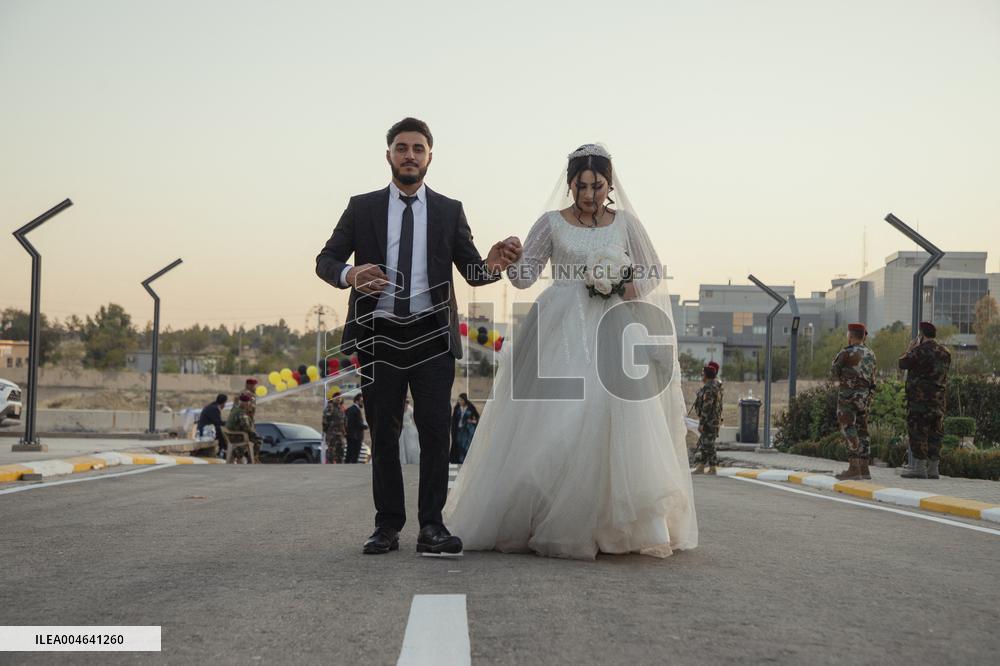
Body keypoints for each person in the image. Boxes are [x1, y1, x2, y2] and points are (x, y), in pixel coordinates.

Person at [443, 144, 697, 560]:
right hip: (560, 330)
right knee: (560, 419)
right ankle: (548, 517)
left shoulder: (625, 224)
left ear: (609, 185)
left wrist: (618, 283)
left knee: (616, 415)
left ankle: (619, 524)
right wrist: (510, 256)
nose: (590, 195)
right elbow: (525, 279)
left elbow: (651, 269)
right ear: (570, 185)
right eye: (581, 186)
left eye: (597, 187)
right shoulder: (551, 224)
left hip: (613, 329)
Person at [315, 117, 521, 556]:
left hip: (431, 337)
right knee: (384, 434)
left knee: (434, 431)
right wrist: (351, 273)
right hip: (380, 336)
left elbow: (472, 271)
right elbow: (326, 259)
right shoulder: (362, 207)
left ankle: (432, 527)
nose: (410, 155)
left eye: (418, 149)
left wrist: (494, 263)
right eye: (402, 147)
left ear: (430, 156)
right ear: (388, 154)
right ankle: (387, 526)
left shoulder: (449, 210)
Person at [899, 321, 952, 479]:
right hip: (938, 401)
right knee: (936, 432)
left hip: (919, 401)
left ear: (921, 335)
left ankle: (919, 468)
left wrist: (910, 349)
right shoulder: (945, 353)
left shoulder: (918, 351)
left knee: (918, 432)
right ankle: (933, 469)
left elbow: (902, 363)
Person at [832, 323, 877, 481]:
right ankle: (865, 468)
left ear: (850, 336)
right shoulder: (871, 354)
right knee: (863, 429)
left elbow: (834, 371)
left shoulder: (846, 353)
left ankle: (854, 468)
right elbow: (873, 378)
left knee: (848, 427)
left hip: (848, 397)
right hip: (864, 397)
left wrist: (841, 384)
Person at [692, 362, 723, 475]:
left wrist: (702, 423)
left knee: (708, 444)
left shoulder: (710, 388)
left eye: (702, 374)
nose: (701, 376)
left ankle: (713, 466)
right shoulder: (713, 385)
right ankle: (701, 466)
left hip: (710, 422)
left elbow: (707, 406)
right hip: (712, 421)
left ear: (706, 375)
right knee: (705, 443)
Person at [226, 394, 261, 464]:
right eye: (249, 402)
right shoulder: (241, 413)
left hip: (231, 436)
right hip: (237, 437)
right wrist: (255, 434)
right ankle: (253, 458)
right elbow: (246, 427)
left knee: (252, 437)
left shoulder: (234, 410)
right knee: (258, 440)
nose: (249, 404)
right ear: (245, 403)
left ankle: (242, 456)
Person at [452, 394, 479, 464]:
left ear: (465, 400)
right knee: (458, 444)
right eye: (459, 400)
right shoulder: (457, 408)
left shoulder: (470, 408)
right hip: (459, 430)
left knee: (466, 445)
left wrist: (472, 421)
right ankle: (460, 461)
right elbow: (454, 419)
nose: (460, 401)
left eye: (461, 400)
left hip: (467, 431)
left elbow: (477, 417)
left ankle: (466, 461)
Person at [323, 390, 347, 464]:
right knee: (331, 452)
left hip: (340, 434)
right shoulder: (330, 407)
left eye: (339, 397)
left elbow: (344, 421)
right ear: (333, 398)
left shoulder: (341, 408)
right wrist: (327, 431)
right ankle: (330, 468)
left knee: (340, 452)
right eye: (336, 397)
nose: (338, 399)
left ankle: (340, 467)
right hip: (332, 434)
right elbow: (325, 421)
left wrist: (344, 431)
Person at [344, 395, 368, 465]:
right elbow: (358, 424)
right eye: (361, 401)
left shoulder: (348, 409)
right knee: (354, 456)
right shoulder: (356, 410)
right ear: (357, 401)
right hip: (356, 437)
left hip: (350, 436)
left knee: (349, 454)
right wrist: (366, 426)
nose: (362, 403)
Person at [399, 397, 420, 464]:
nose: (406, 404)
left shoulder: (410, 409)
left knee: (411, 445)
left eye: (407, 402)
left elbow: (413, 418)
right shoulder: (400, 409)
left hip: (409, 428)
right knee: (401, 445)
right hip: (402, 428)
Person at [449, 398, 464, 463]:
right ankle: (454, 459)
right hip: (455, 430)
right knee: (455, 444)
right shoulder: (456, 409)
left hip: (460, 430)